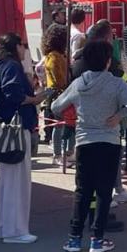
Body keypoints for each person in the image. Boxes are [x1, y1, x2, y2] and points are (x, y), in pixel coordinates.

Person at [54, 40, 127, 252]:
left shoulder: (79, 83)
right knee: (104, 192)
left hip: (84, 142)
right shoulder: (116, 84)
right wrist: (119, 115)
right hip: (109, 142)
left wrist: (78, 110)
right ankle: (97, 239)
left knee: (82, 191)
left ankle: (74, 238)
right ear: (108, 61)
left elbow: (57, 107)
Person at [0, 33, 50, 244]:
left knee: (8, 181)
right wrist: (34, 99)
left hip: (7, 129)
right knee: (18, 181)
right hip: (17, 128)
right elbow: (12, 93)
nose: (25, 49)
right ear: (15, 47)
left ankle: (7, 227)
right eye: (23, 45)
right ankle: (16, 230)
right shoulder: (12, 67)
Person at [69, 19, 127, 205]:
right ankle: (105, 201)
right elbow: (122, 81)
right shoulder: (104, 58)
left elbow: (60, 103)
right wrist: (124, 112)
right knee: (107, 164)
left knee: (87, 175)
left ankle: (99, 203)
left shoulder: (78, 59)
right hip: (108, 120)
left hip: (85, 125)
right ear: (107, 37)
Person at [42, 26, 75, 167]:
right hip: (59, 93)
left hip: (58, 92)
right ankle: (58, 154)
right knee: (59, 125)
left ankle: (66, 152)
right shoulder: (55, 57)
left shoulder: (56, 55)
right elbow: (59, 78)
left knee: (65, 124)